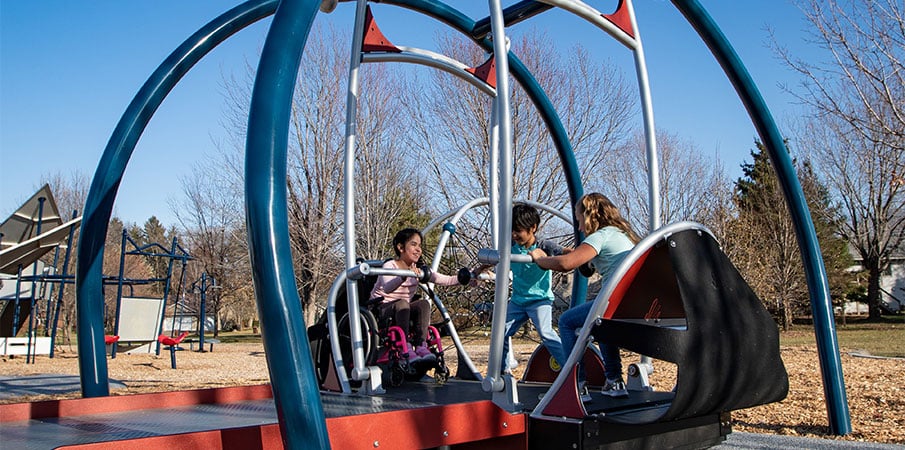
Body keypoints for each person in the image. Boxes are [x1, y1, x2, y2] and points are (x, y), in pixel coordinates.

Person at [530, 193, 640, 399]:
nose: (580, 228)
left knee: (567, 321)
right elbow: (588, 262)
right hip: (629, 304)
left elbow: (565, 264)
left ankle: (576, 384)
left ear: (589, 217)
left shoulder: (601, 235)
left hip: (613, 303)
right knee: (601, 324)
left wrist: (540, 259)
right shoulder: (623, 235)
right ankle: (614, 381)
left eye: (580, 221)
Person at [370, 228, 462, 363]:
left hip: (403, 310)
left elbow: (448, 280)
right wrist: (405, 275)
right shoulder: (390, 265)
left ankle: (421, 345)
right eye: (413, 245)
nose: (418, 249)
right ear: (401, 247)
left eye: (420, 245)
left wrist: (473, 274)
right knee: (402, 303)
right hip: (381, 310)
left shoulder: (418, 270)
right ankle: (404, 347)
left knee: (423, 304)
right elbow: (388, 287)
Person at [502, 203, 566, 374]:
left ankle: (570, 369)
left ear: (533, 228)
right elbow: (496, 258)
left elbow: (568, 253)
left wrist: (585, 257)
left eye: (518, 230)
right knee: (501, 332)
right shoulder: (510, 246)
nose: (514, 235)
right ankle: (503, 370)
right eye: (512, 230)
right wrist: (478, 271)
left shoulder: (545, 246)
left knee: (546, 333)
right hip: (518, 301)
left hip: (539, 300)